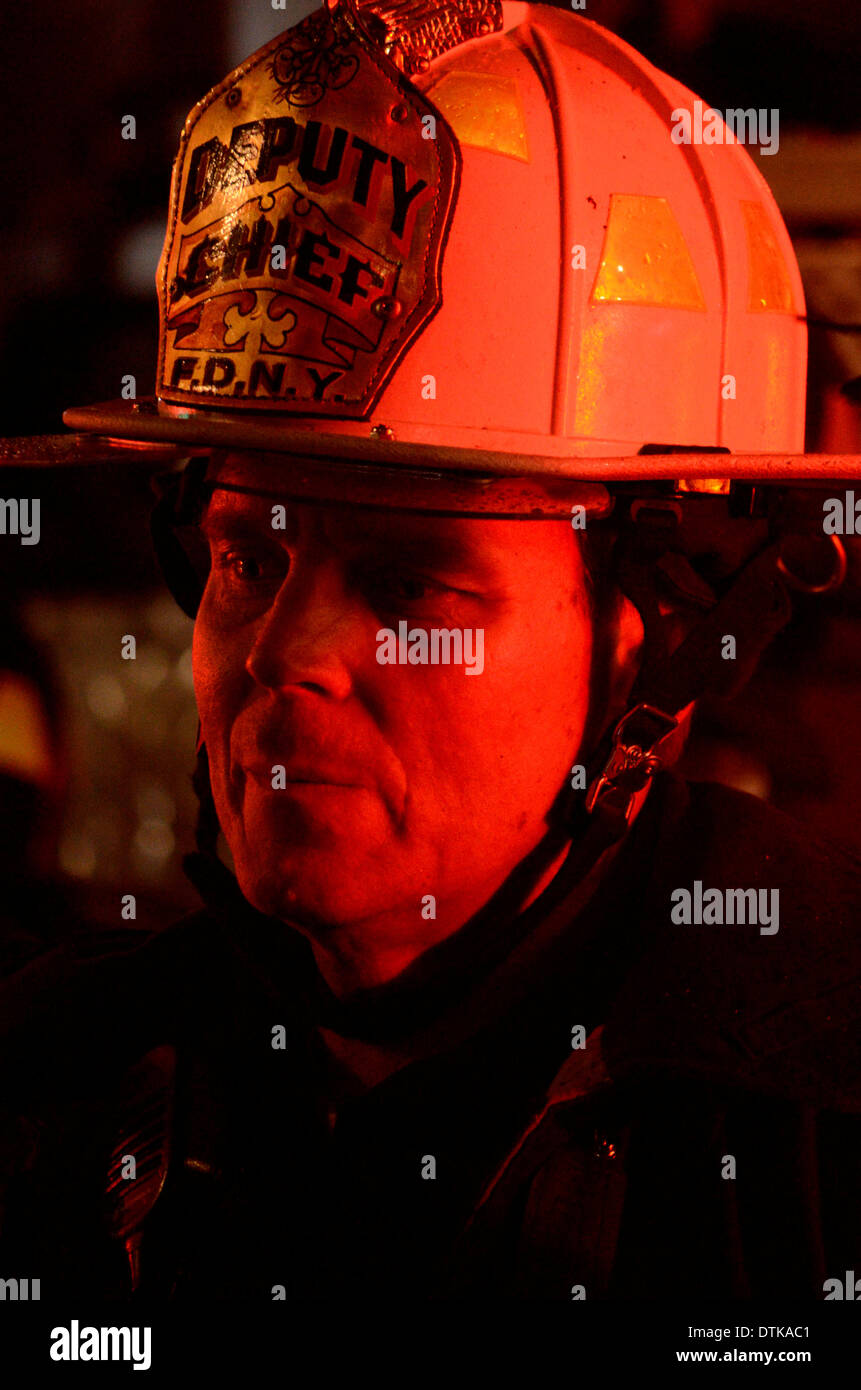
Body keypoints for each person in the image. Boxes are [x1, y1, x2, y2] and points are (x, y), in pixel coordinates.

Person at [1, 0, 860, 1301]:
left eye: (412, 583)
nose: (283, 656)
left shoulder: (814, 1139)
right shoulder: (47, 1092)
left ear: (660, 631)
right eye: (249, 560)